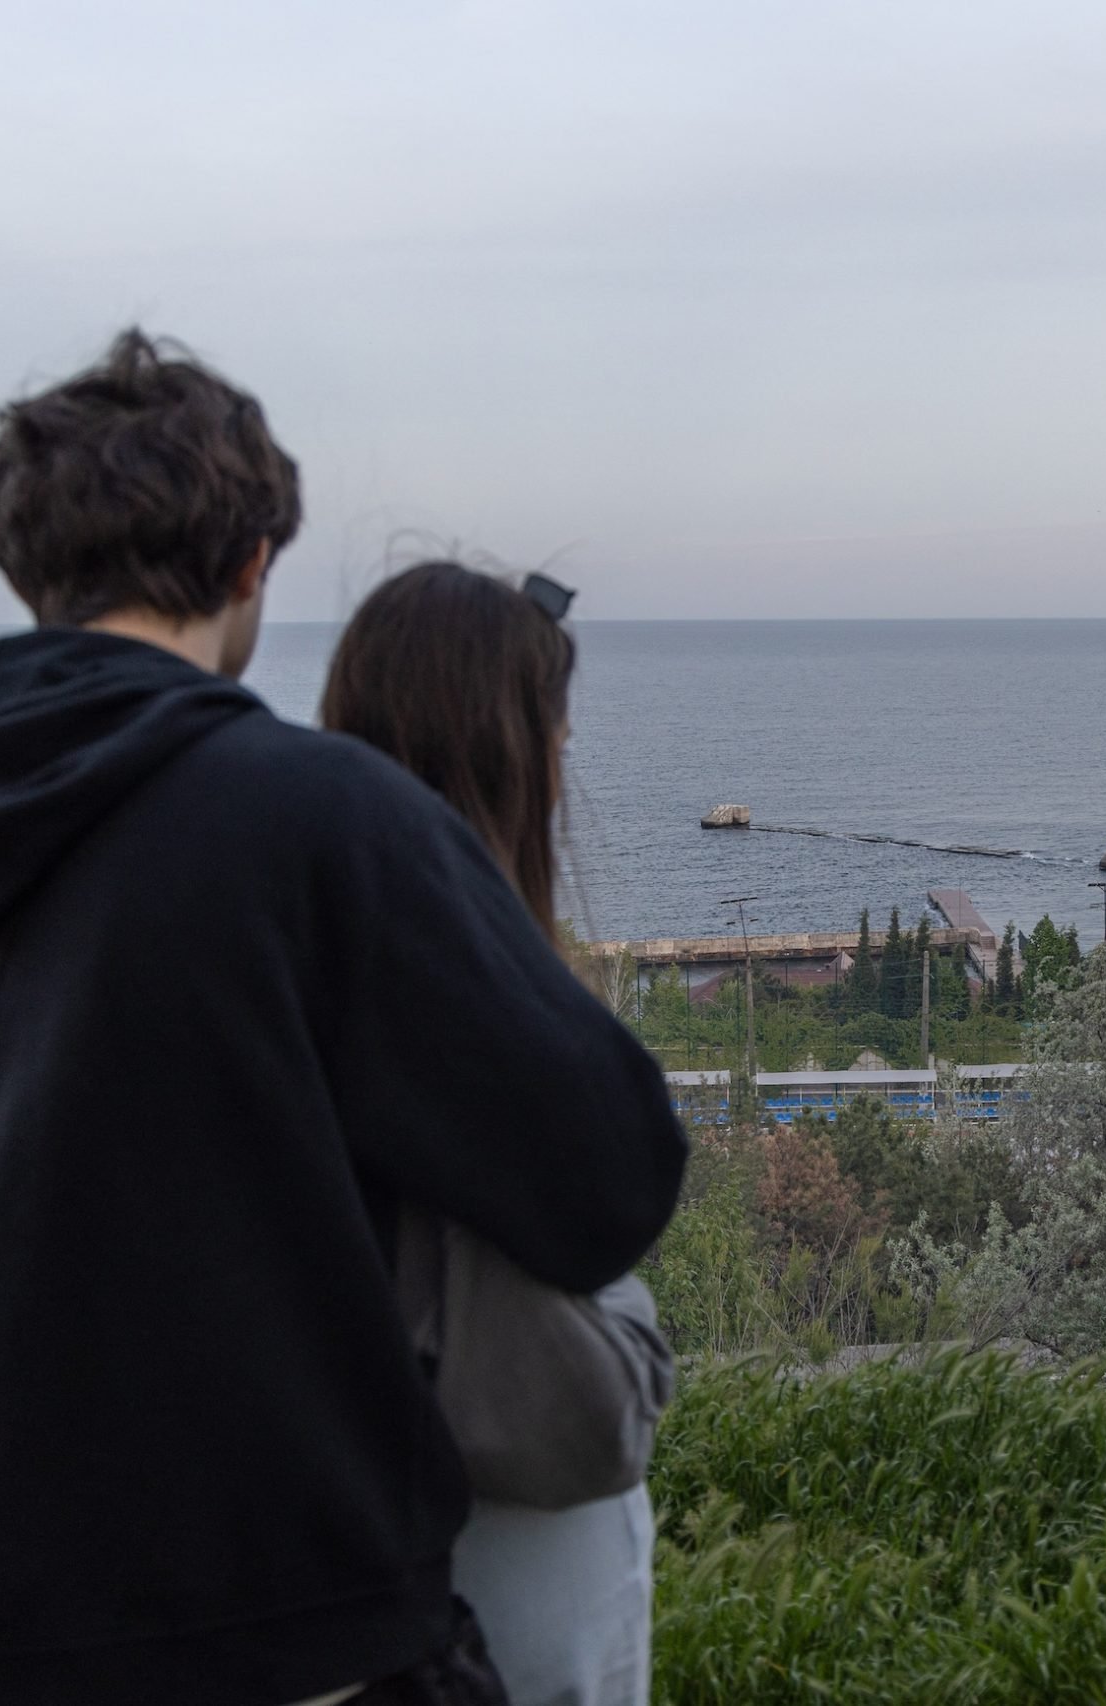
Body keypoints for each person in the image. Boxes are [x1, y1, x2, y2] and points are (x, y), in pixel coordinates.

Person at [0, 330, 686, 1705]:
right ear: (249, 567)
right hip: (280, 1633)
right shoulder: (313, 818)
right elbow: (610, 1179)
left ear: (28, 568)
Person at [321, 561, 663, 1706]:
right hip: (507, 1606)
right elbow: (591, 1410)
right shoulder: (492, 1034)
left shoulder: (272, 987)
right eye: (556, 738)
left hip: (328, 1594)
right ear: (521, 760)